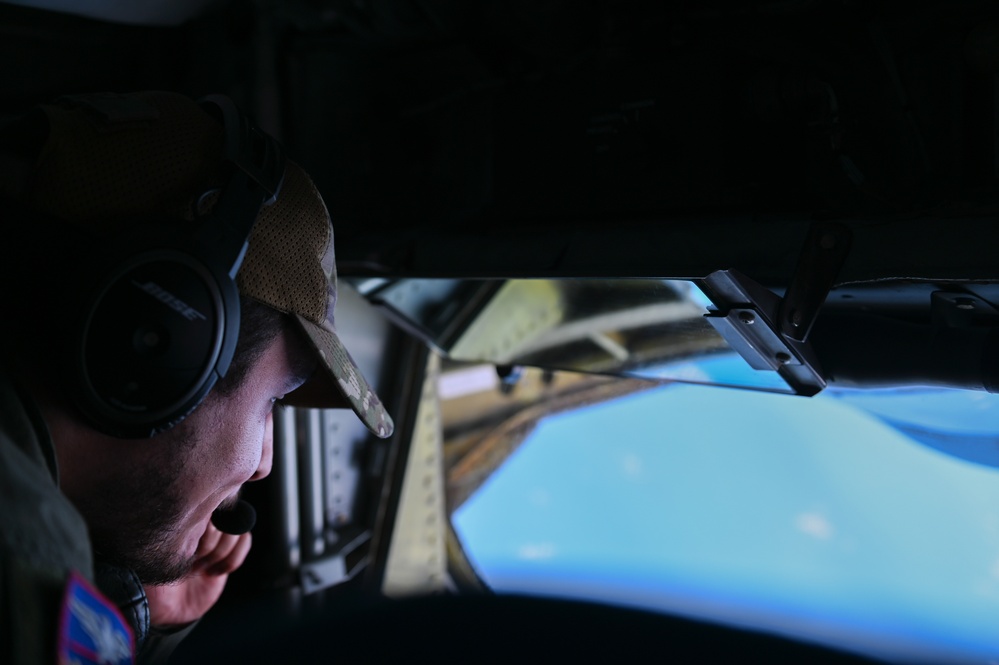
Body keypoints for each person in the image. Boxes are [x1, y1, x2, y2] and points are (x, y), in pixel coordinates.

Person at [0, 90, 394, 664]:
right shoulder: (22, 545)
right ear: (158, 335)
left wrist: (130, 619)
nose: (264, 463)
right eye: (273, 402)